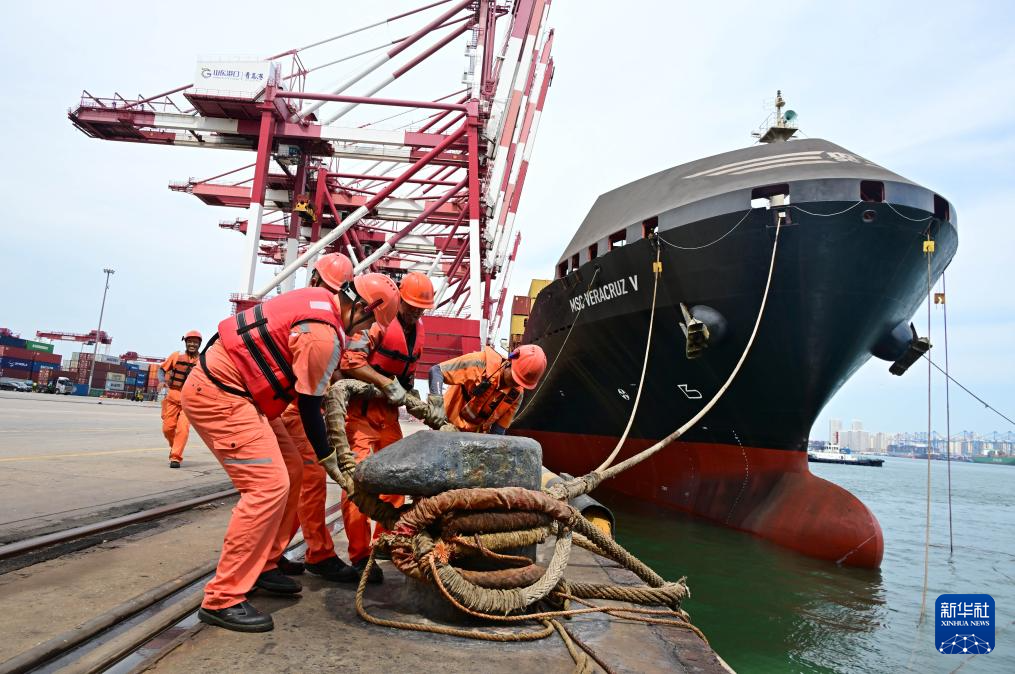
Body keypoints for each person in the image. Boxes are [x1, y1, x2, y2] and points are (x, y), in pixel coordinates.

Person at [182, 272, 401, 633]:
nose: (364, 333)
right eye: (368, 323)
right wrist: (332, 459)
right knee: (267, 486)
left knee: (294, 470)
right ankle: (223, 597)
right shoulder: (323, 336)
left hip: (242, 393)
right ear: (362, 307)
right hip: (222, 394)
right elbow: (310, 406)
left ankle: (266, 563)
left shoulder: (319, 300)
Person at [339, 271, 434, 582]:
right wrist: (383, 383)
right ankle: (359, 554)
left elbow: (406, 376)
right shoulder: (377, 324)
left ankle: (384, 541)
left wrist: (412, 393)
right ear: (399, 301)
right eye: (411, 306)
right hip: (360, 413)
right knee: (359, 482)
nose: (416, 312)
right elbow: (351, 361)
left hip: (388, 417)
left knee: (397, 479)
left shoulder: (418, 333)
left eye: (421, 309)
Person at [275, 253, 362, 583]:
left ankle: (273, 553)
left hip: (297, 404)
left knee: (295, 485)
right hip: (296, 408)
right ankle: (318, 553)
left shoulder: (303, 310)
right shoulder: (321, 324)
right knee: (309, 483)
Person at [428, 344, 547, 434]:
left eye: (520, 383)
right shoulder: (479, 363)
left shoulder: (516, 395)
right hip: (444, 424)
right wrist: (437, 405)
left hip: (473, 438)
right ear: (510, 361)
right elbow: (437, 371)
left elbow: (498, 431)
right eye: (514, 378)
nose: (515, 384)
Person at [159, 331, 202, 468]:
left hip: (189, 402)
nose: (192, 344)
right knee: (167, 429)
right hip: (172, 398)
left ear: (199, 344)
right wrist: (161, 381)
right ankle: (174, 447)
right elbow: (162, 369)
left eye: (195, 342)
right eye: (190, 341)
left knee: (182, 429)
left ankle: (176, 457)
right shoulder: (176, 356)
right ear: (185, 342)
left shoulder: (203, 361)